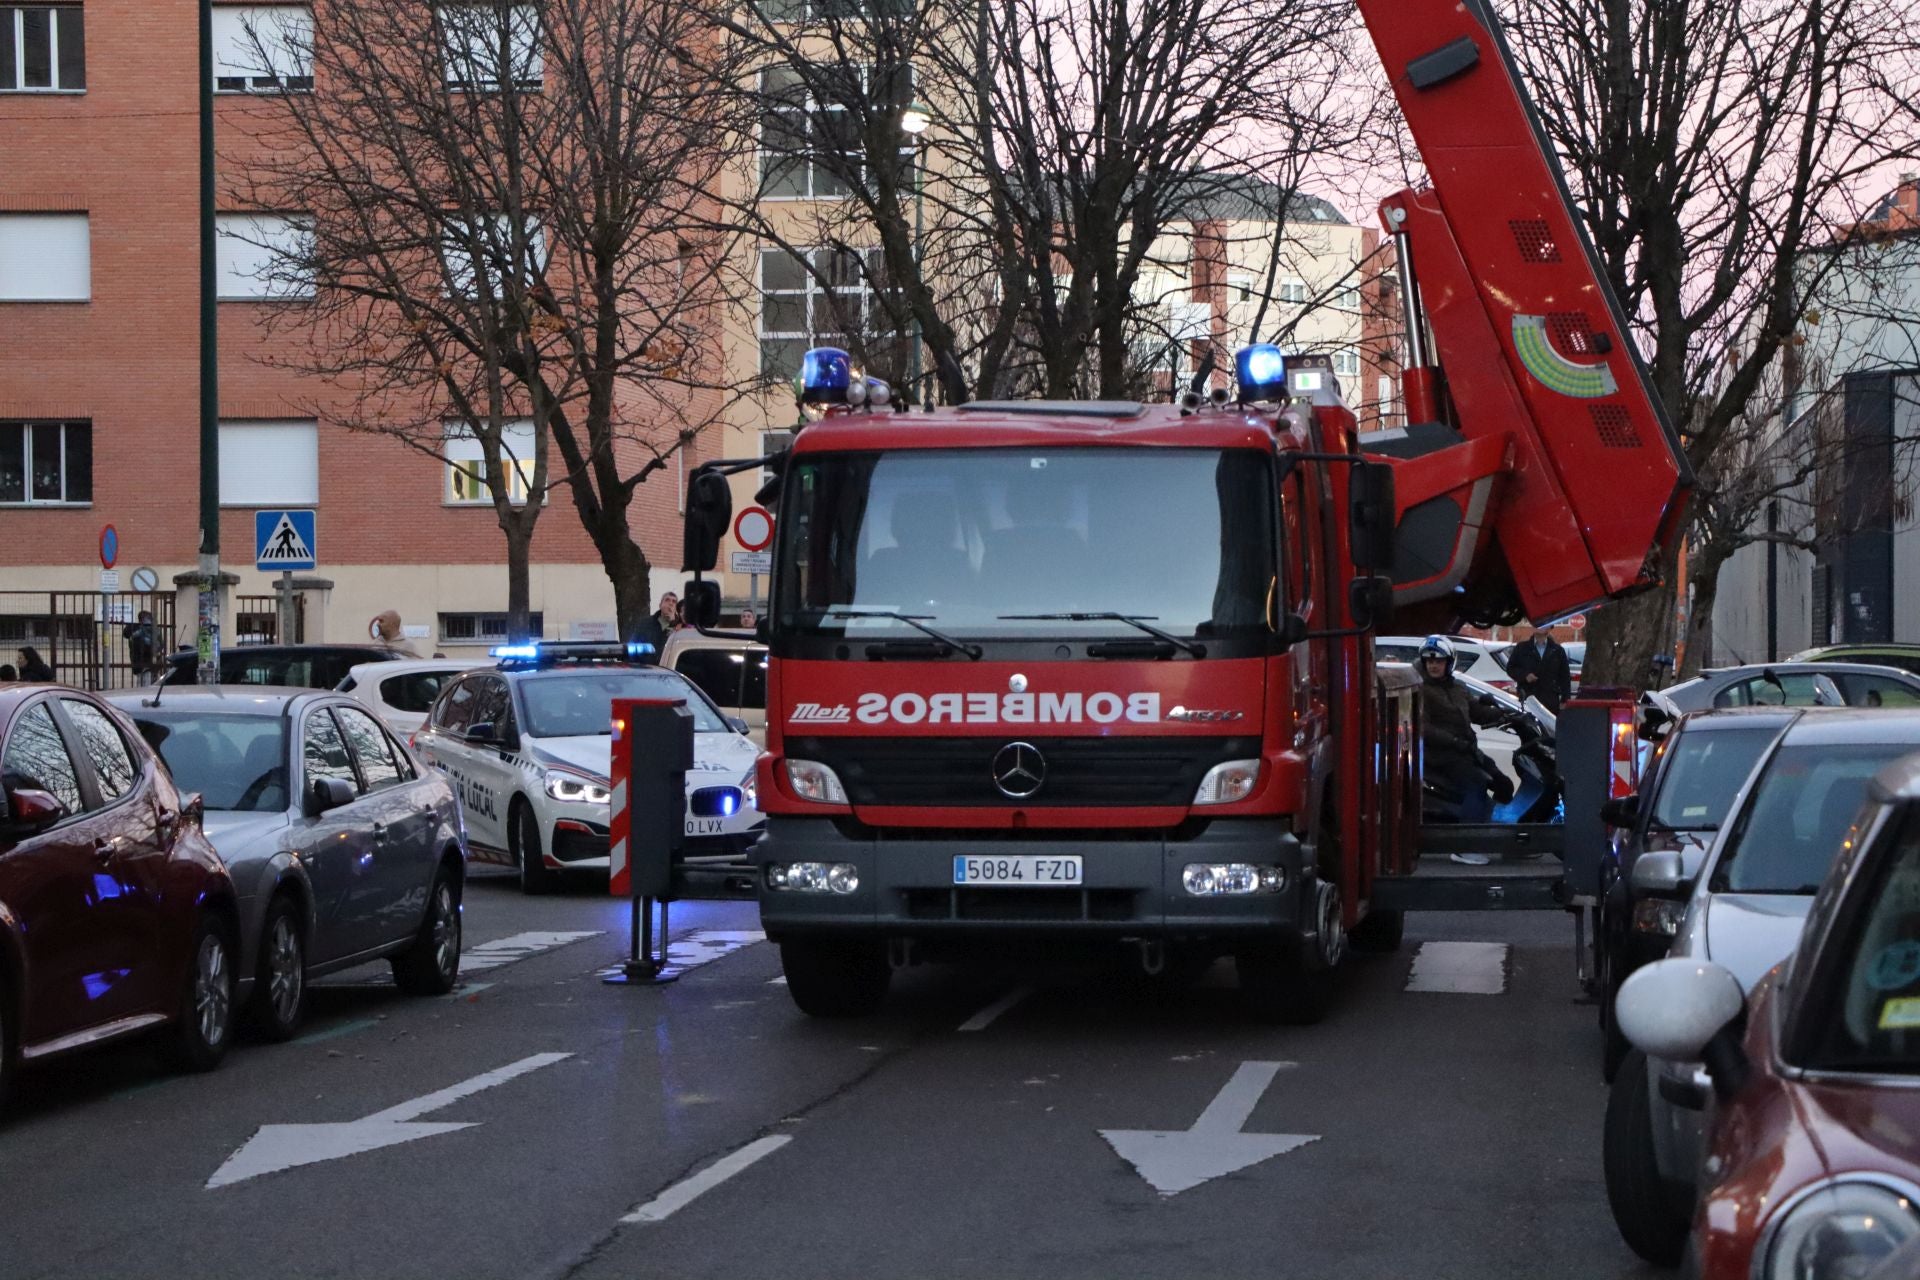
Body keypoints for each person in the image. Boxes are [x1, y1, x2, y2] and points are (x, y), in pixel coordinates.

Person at [1416, 635, 1513, 864]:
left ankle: (1510, 840)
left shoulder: (1457, 687)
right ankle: (1465, 846)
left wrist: (1505, 714)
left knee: (1503, 783)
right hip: (1442, 756)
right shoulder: (1422, 690)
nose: (1434, 665)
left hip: (1467, 751)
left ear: (1449, 663)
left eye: (1439, 661)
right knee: (1476, 783)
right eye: (1429, 661)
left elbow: (1475, 710)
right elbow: (1423, 727)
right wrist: (1452, 741)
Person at [1505, 624, 1573, 714]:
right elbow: (1510, 669)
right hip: (1528, 698)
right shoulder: (1521, 648)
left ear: (1550, 628)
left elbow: (1565, 677)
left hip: (1550, 700)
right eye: (1537, 624)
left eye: (1544, 624)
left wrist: (1565, 700)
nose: (1540, 627)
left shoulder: (1558, 650)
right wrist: (1525, 676)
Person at [123, 610, 158, 685]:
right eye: (149, 619)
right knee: (145, 687)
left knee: (143, 684)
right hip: (143, 664)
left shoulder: (143, 631)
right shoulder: (137, 631)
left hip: (143, 664)